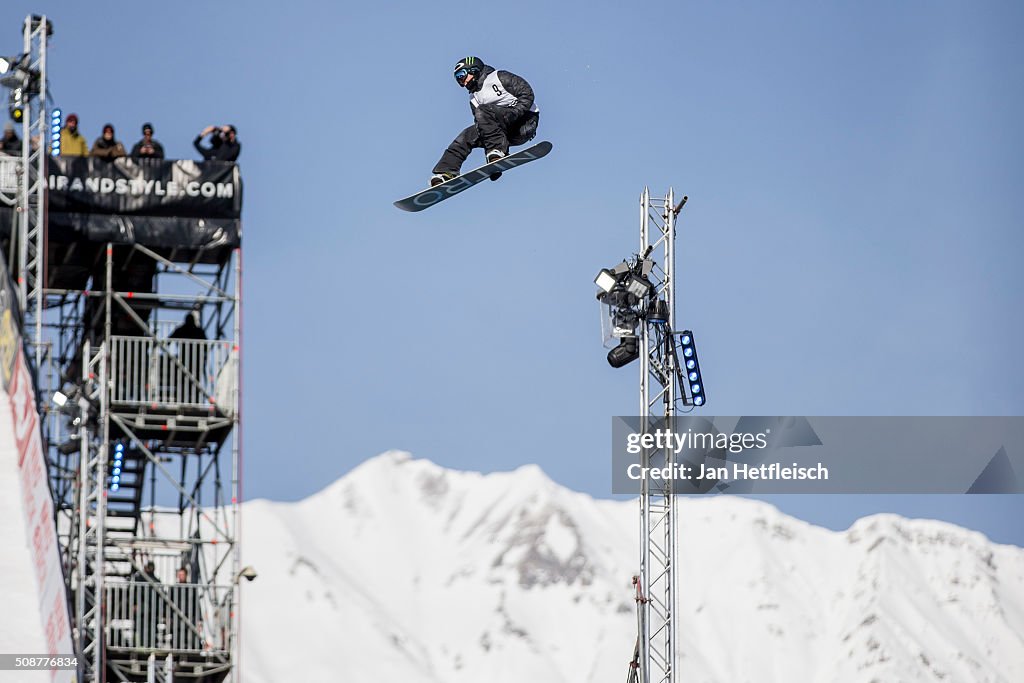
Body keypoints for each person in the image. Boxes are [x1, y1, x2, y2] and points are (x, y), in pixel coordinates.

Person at [430, 56, 540, 187]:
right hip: (504, 133)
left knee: (483, 111)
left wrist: (514, 113)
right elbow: (485, 129)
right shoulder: (474, 98)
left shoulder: (499, 77)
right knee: (467, 135)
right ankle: (446, 172)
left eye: (462, 75)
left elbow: (527, 94)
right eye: (458, 80)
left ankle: (498, 151)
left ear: (474, 70)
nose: (462, 82)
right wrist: (494, 165)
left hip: (524, 122)